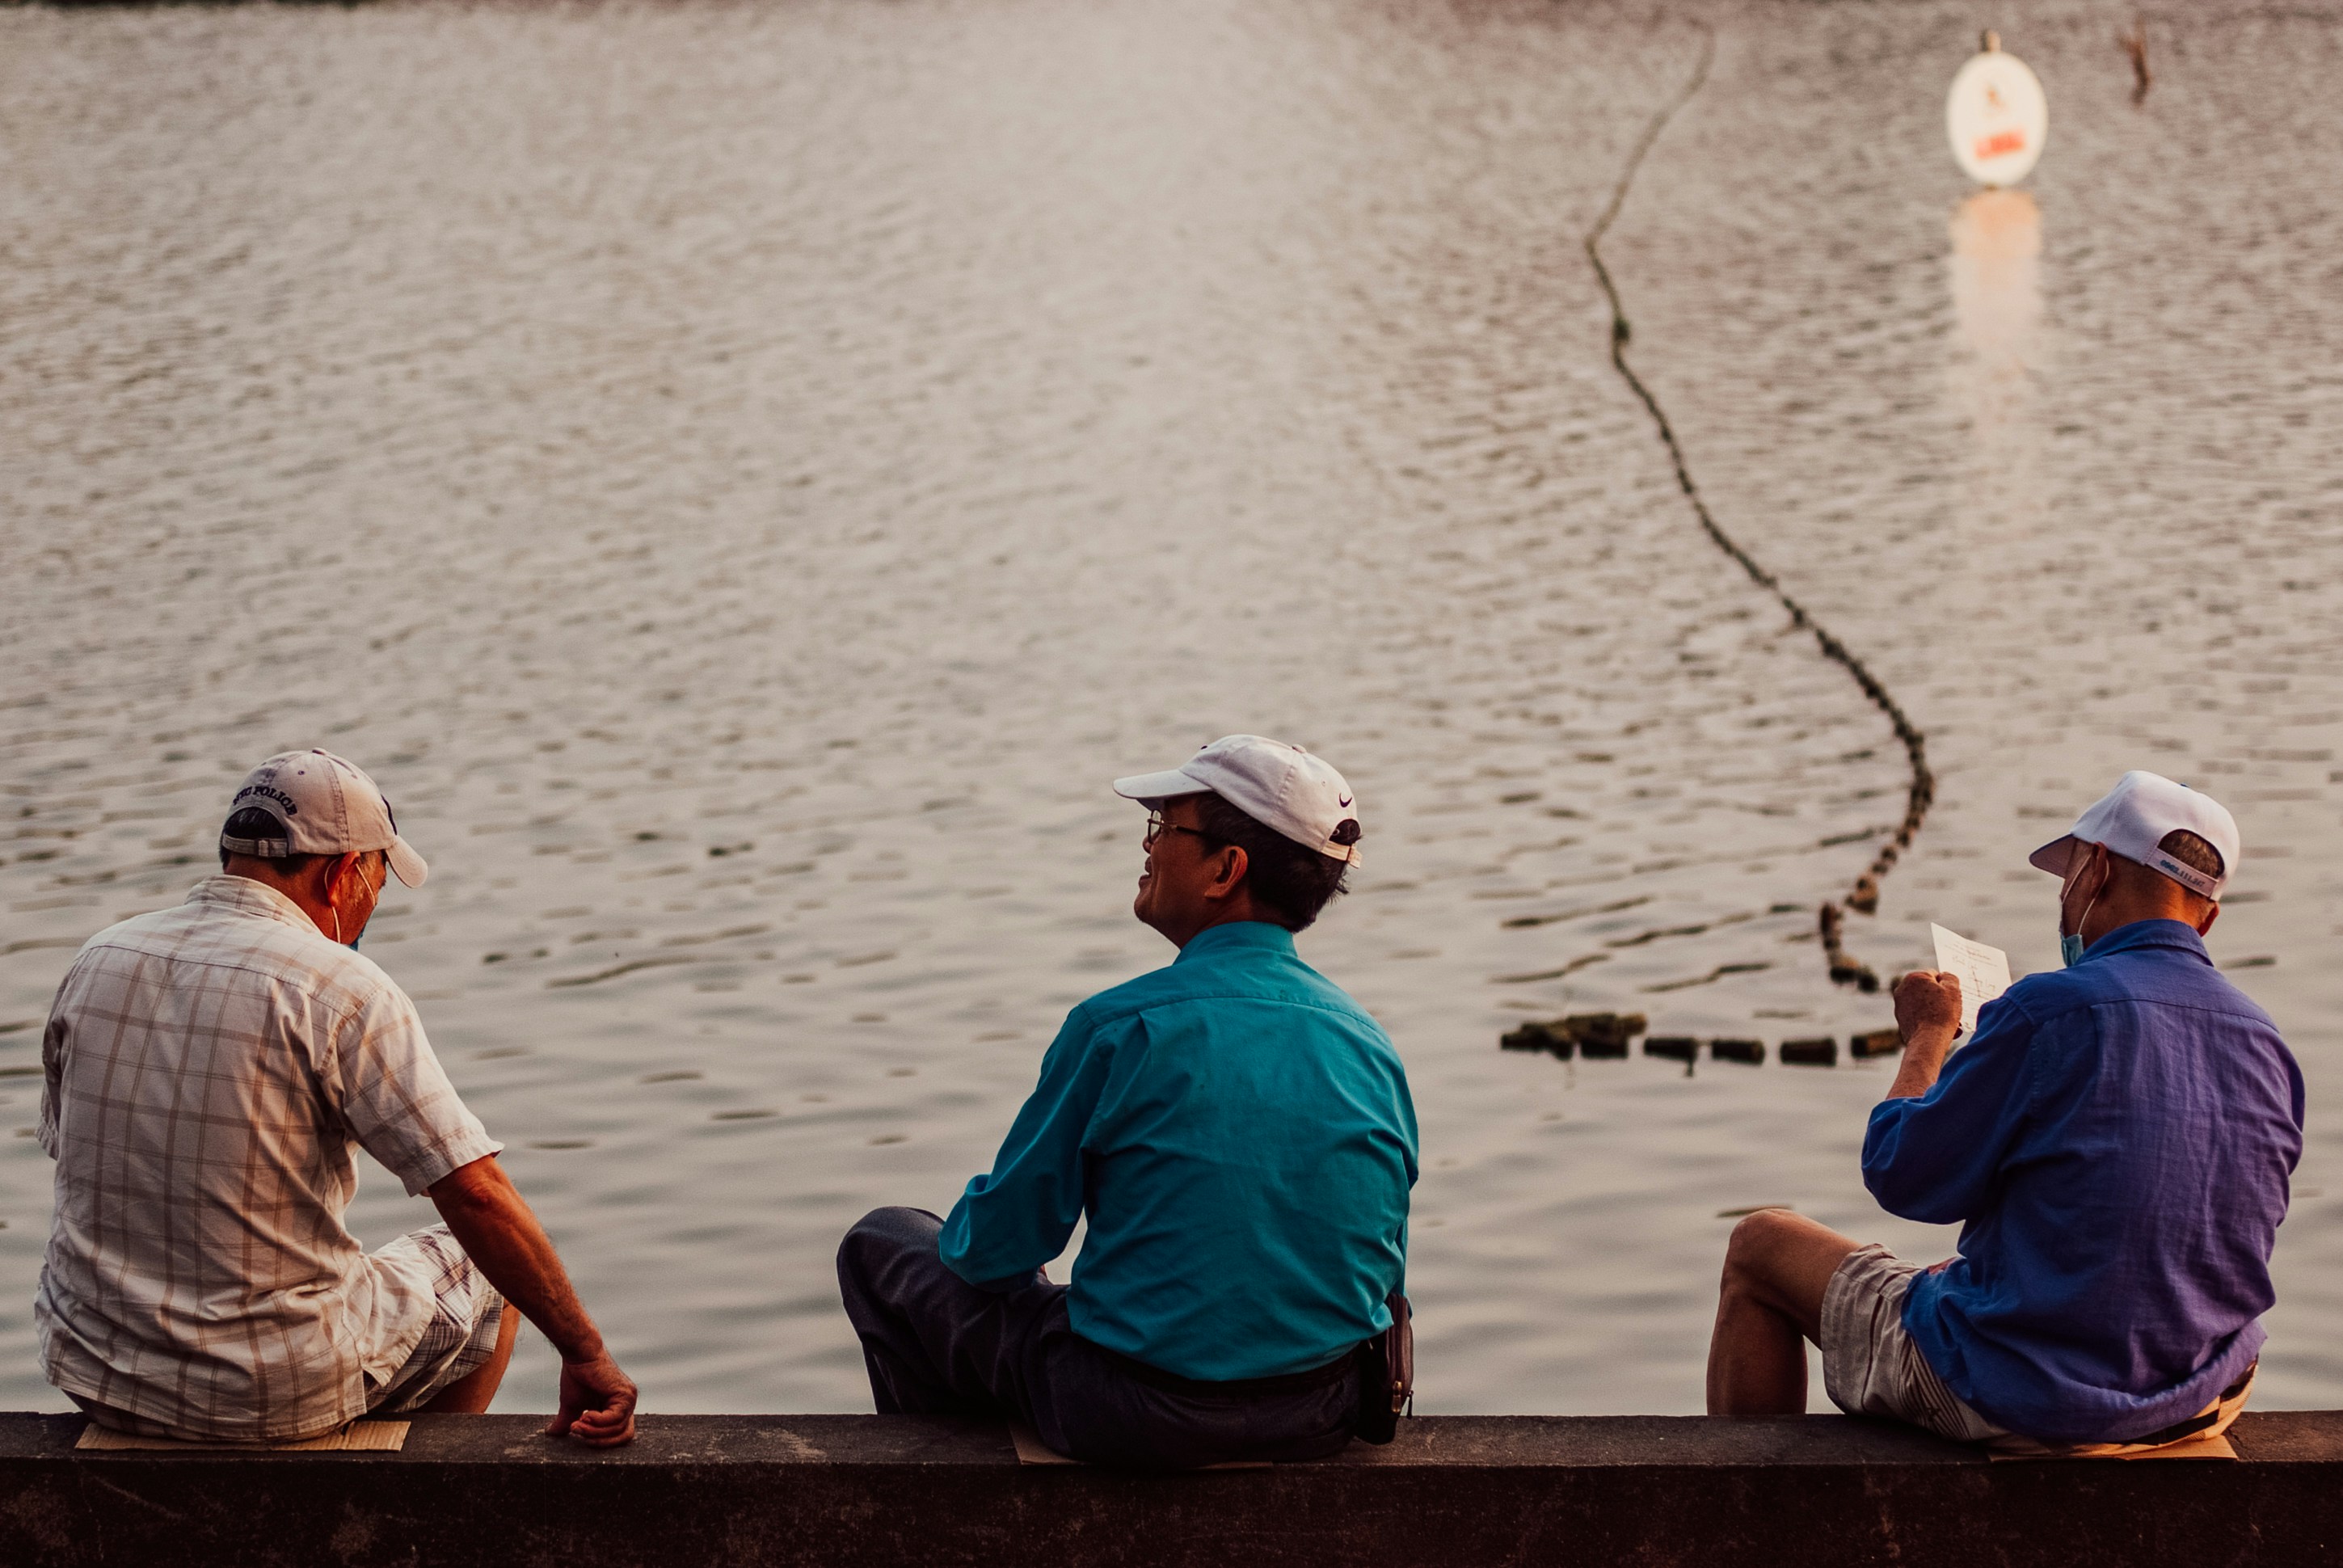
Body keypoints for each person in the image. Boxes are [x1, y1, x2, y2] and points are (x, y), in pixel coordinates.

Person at [837, 736, 1418, 1469]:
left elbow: (992, 1252)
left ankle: (953, 1515)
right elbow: (1374, 1262)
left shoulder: (1120, 1028)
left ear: (1224, 869)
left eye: (1163, 829)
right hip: (1322, 1411)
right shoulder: (1368, 1045)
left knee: (884, 1242)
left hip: (1135, 1412)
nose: (1147, 850)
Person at [36, 749, 638, 1445]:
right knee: (480, 1270)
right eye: (378, 880)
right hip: (265, 1390)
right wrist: (587, 1354)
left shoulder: (99, 957)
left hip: (98, 1371)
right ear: (342, 873)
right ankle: (406, 1504)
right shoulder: (341, 988)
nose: (372, 905)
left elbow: (75, 1158)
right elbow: (475, 1194)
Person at [1707, 770, 2303, 1455]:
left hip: (2029, 1395)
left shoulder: (2047, 1009)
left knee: (1758, 1247)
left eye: (2068, 874)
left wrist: (1928, 1037)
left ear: (2097, 869)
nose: (2063, 896)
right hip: (2198, 1389)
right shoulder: (2266, 1041)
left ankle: (1744, 1519)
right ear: (2207, 915)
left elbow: (1902, 1176)